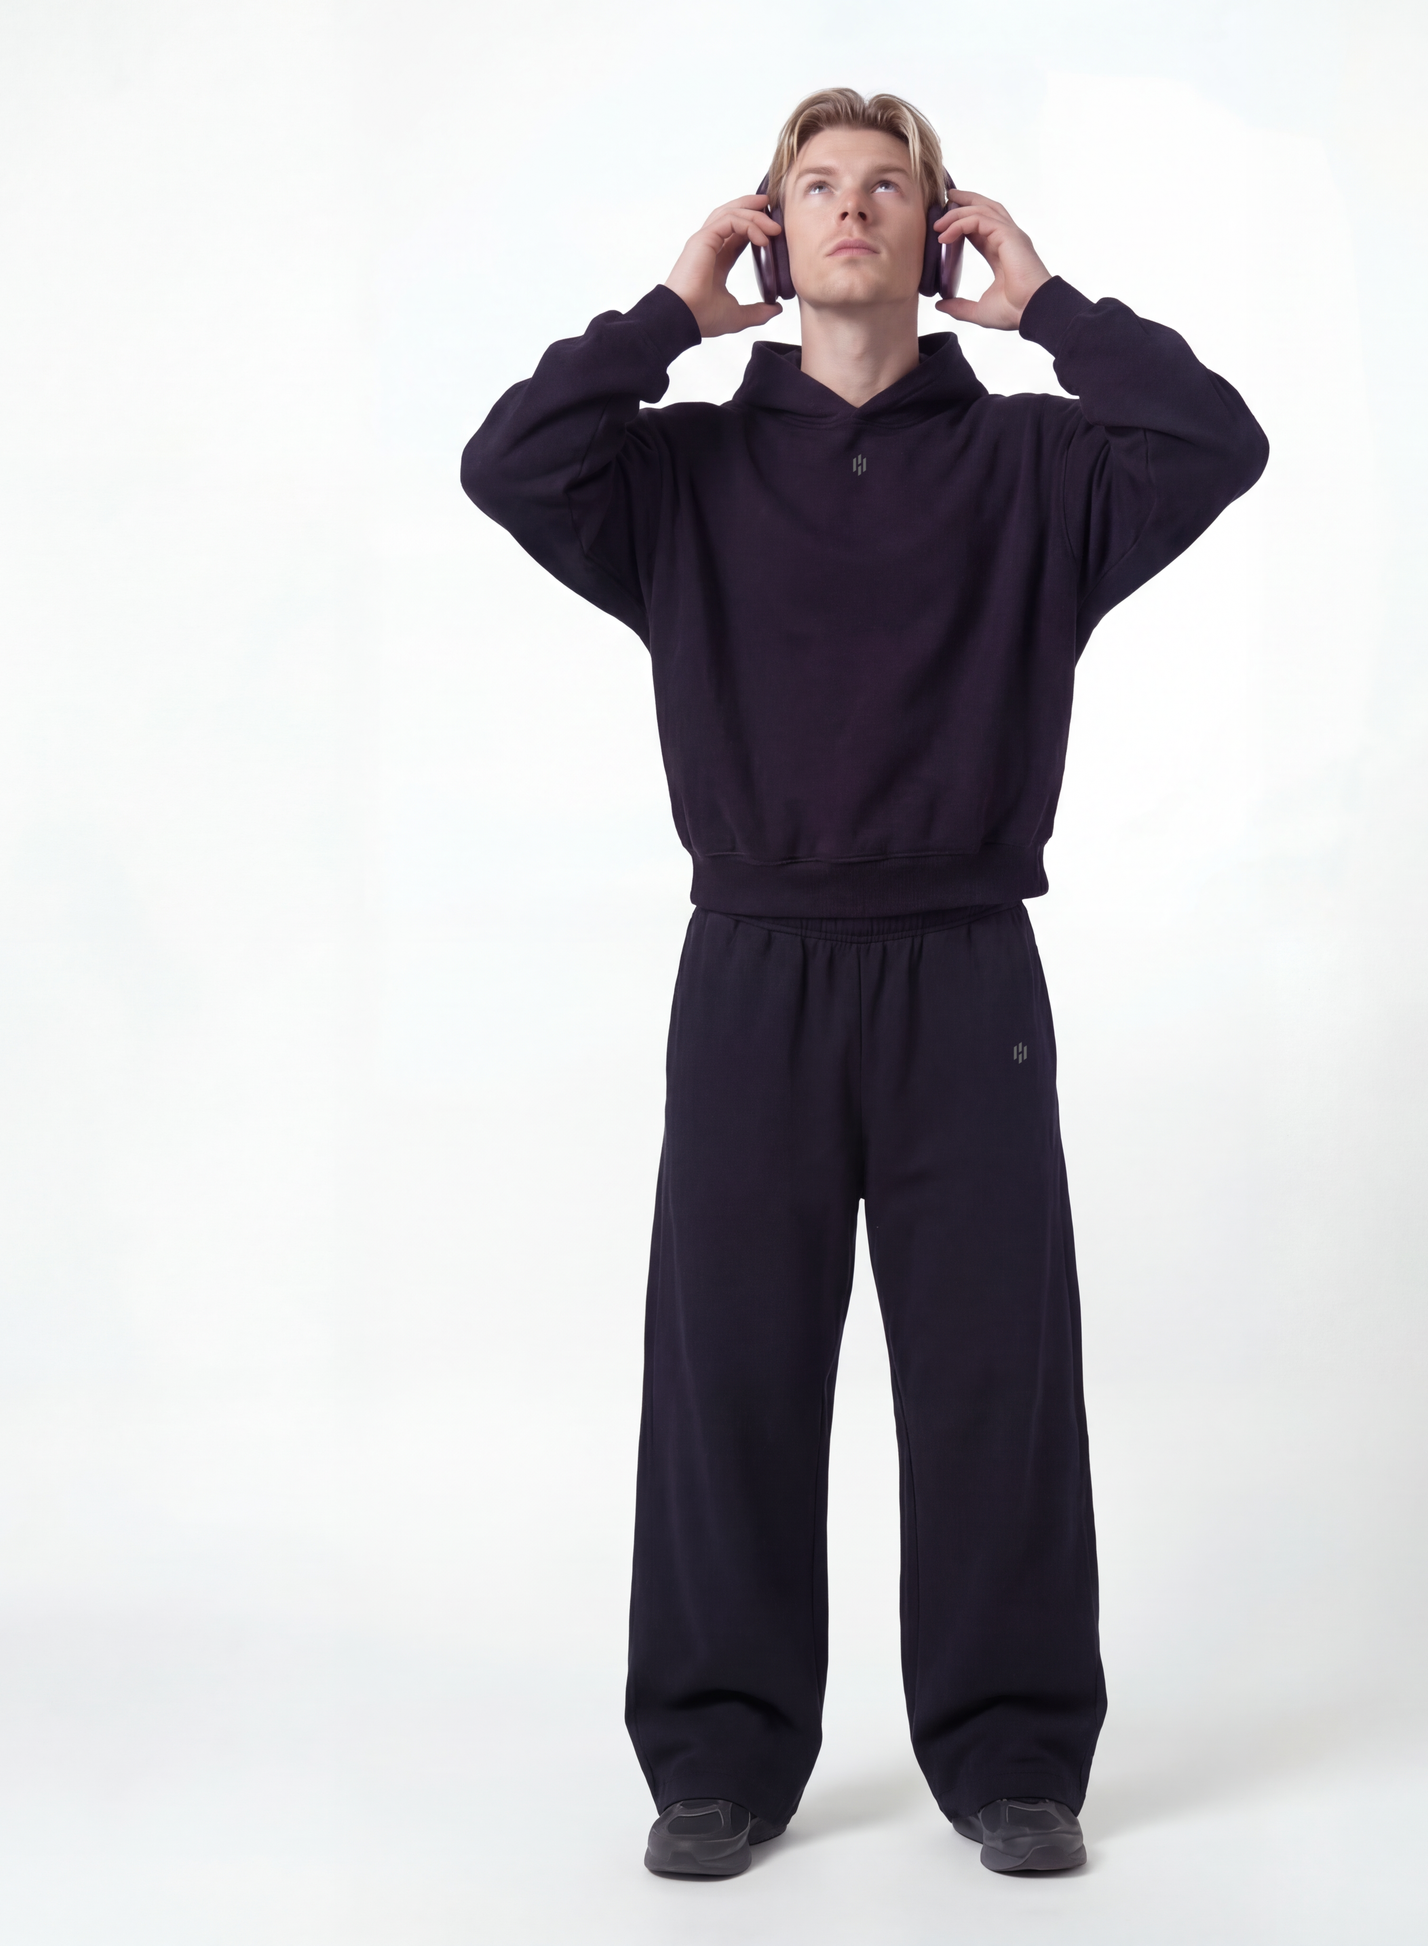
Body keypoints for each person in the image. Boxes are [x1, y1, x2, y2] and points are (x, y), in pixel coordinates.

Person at [461, 87, 1267, 1879]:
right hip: (751, 965)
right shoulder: (677, 475)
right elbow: (507, 463)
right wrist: (669, 318)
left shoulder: (1037, 469)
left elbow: (1215, 440)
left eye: (887, 187)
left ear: (937, 228)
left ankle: (1011, 1753)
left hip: (962, 967)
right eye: (813, 187)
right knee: (730, 1372)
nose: (850, 209)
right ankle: (718, 1755)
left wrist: (1048, 309)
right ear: (768, 233)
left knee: (991, 1377)